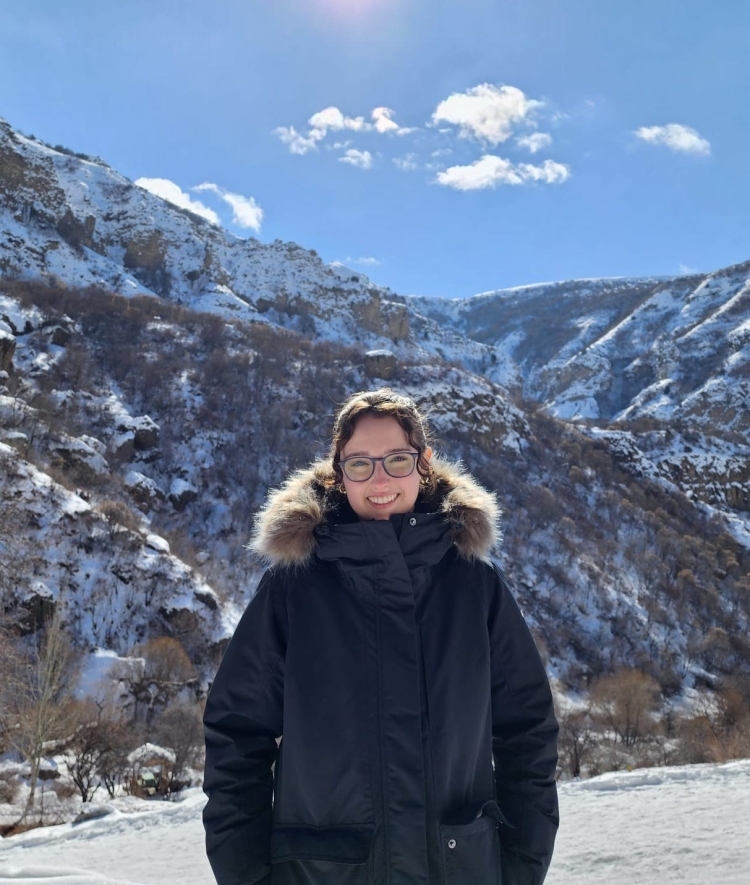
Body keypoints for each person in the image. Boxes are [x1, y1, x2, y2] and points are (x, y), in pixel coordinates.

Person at [203, 388, 559, 885]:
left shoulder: (473, 585)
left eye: (396, 459)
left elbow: (528, 731)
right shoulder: (294, 587)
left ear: (424, 463)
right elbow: (237, 737)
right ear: (338, 470)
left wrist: (520, 869)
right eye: (360, 464)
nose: (380, 479)